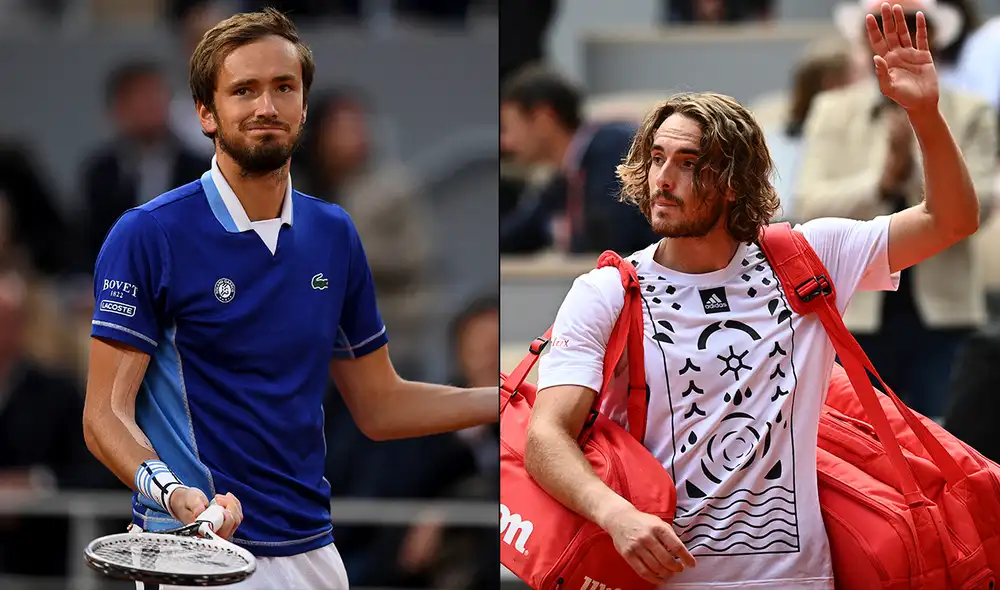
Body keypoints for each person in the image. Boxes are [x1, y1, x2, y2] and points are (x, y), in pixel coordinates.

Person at [524, 4, 980, 588]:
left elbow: (952, 218)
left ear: (735, 180)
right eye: (657, 157)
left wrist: (923, 112)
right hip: (658, 576)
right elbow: (545, 437)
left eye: (689, 164)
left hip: (798, 578)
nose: (663, 178)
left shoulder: (811, 256)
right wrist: (615, 514)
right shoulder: (607, 290)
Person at [81, 8, 497, 590]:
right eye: (244, 90)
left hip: (314, 554)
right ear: (206, 112)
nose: (266, 107)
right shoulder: (148, 234)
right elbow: (104, 416)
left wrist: (506, 398)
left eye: (284, 88)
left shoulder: (335, 234)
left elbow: (380, 405)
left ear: (304, 107)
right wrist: (174, 493)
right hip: (197, 551)